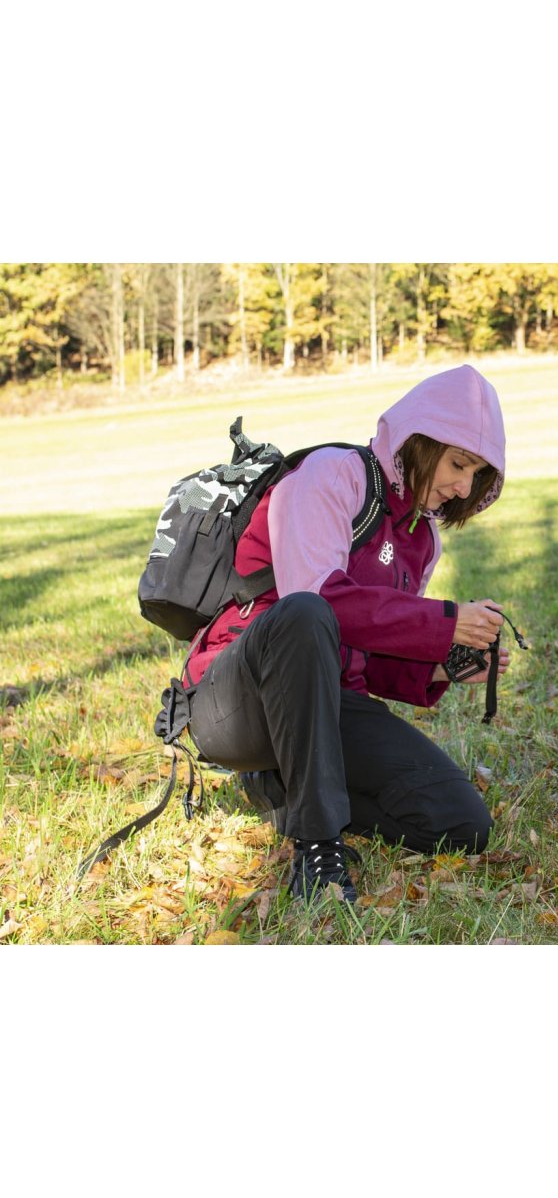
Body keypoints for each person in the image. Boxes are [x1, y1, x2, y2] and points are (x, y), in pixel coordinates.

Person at [182, 364, 511, 902]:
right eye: (457, 464)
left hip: (323, 707)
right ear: (419, 442)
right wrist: (444, 621)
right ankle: (317, 846)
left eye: (476, 474)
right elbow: (313, 605)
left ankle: (284, 786)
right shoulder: (331, 474)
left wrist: (441, 662)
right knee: (307, 612)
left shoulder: (423, 540)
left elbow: (367, 648)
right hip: (235, 702)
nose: (462, 486)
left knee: (462, 823)